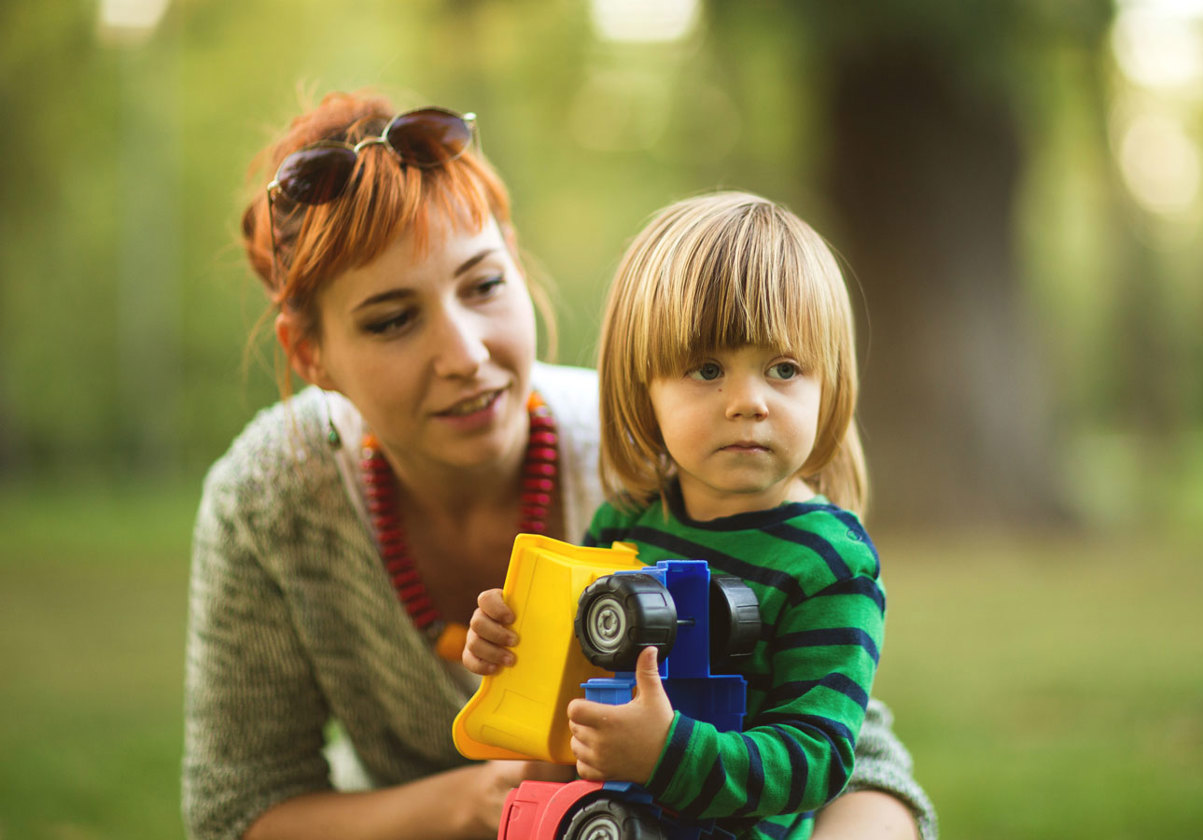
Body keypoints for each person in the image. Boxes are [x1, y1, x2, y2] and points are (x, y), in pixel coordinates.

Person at [183, 89, 936, 840]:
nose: (466, 355)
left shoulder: (655, 461)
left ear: (516, 262)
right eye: (392, 320)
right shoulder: (270, 502)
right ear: (309, 353)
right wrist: (478, 787)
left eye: (482, 285)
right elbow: (235, 811)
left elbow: (846, 746)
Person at [464, 191, 899, 840]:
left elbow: (819, 758)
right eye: (707, 369)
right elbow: (570, 677)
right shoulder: (626, 525)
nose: (747, 401)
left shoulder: (829, 565)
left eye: (783, 369)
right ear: (645, 388)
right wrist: (509, 648)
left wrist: (670, 751)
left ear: (828, 387)